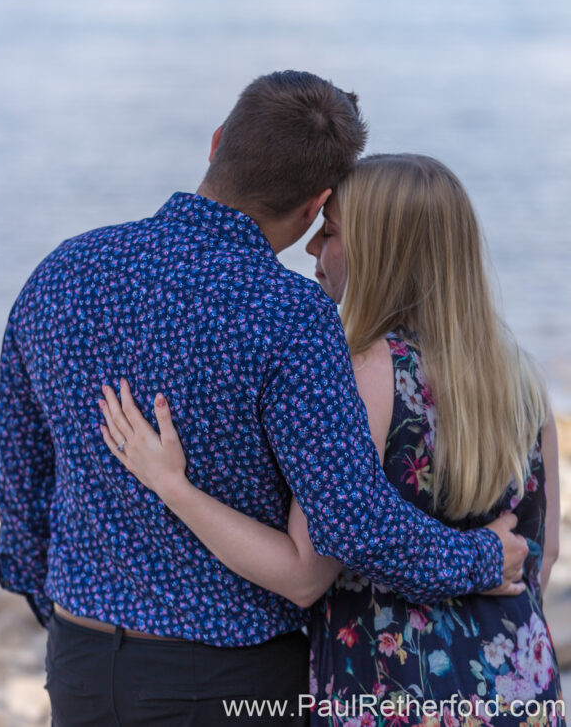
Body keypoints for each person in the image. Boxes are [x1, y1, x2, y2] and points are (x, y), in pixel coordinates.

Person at [0, 73, 526, 727]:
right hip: (227, 681)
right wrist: (479, 557)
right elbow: (350, 521)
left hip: (79, 664)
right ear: (317, 206)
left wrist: (66, 618)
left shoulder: (61, 272)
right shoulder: (292, 315)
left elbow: (17, 479)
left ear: (217, 142)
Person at [101, 154, 564, 726]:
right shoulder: (522, 377)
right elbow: (540, 561)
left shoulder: (363, 373)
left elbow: (303, 572)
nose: (312, 248)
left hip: (393, 694)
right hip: (524, 684)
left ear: (381, 251)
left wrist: (175, 487)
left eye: (332, 231)